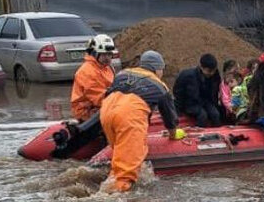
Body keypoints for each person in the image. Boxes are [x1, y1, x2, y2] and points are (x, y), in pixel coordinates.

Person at [99, 50, 184, 193]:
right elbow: (169, 118)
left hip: (106, 112)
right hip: (129, 117)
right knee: (125, 175)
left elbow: (108, 93)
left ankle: (112, 183)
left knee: (120, 159)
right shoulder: (160, 86)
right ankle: (113, 194)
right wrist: (173, 134)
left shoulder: (122, 74)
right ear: (157, 69)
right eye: (162, 69)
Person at [70, 34, 116, 121]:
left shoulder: (108, 68)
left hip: (102, 104)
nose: (107, 58)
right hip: (86, 111)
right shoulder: (87, 71)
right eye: (104, 54)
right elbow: (98, 98)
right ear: (95, 53)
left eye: (109, 54)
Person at [173, 54, 222, 127]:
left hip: (206, 101)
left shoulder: (215, 76)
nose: (211, 73)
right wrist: (178, 110)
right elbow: (178, 92)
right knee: (202, 115)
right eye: (209, 71)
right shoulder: (187, 76)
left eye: (213, 71)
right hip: (190, 103)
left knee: (215, 114)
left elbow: (214, 93)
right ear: (201, 67)